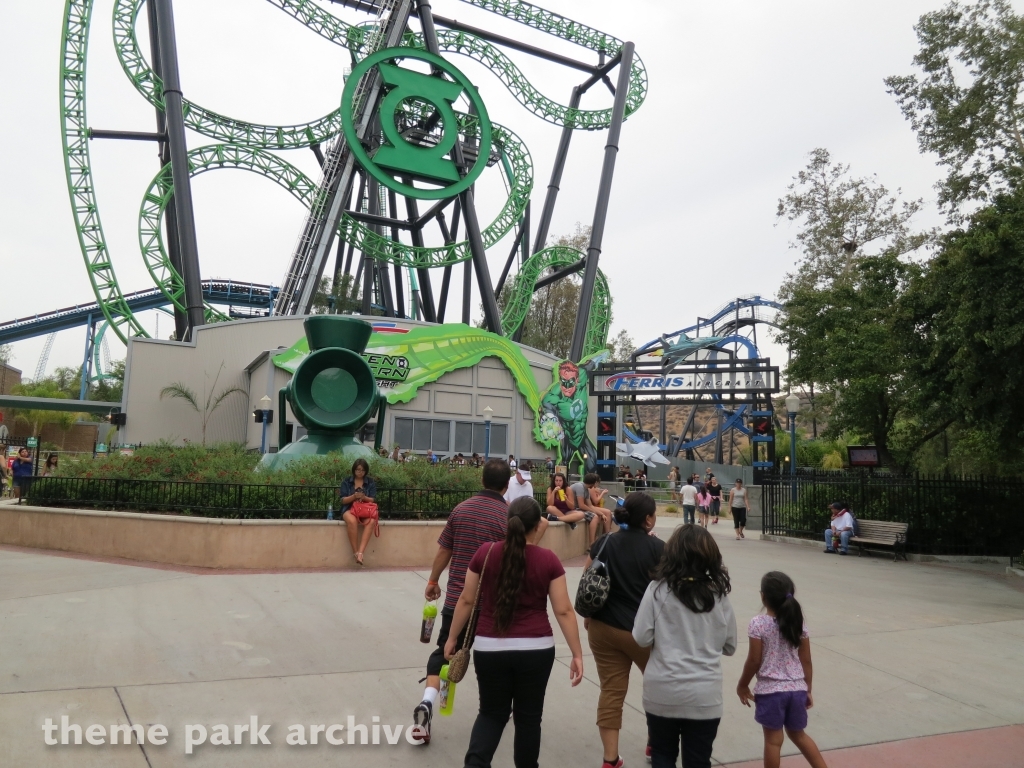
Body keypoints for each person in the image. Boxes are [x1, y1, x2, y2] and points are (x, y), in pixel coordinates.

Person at [445, 496, 584, 768]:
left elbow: (466, 599)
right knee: (529, 718)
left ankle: (475, 764)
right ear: (536, 526)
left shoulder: (485, 553)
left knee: (491, 714)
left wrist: (452, 638)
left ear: (508, 523)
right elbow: (564, 610)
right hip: (536, 649)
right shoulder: (548, 559)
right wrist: (577, 653)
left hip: (489, 646)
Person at [415, 458, 510, 745]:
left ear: (481, 480)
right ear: (506, 486)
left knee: (443, 652)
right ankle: (492, 718)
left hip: (456, 602)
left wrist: (433, 581)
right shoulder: (508, 516)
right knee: (493, 663)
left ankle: (428, 701)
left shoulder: (461, 509)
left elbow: (445, 550)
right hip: (491, 606)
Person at [633, 525, 737, 768]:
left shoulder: (657, 590)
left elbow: (641, 637)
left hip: (662, 691)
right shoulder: (718, 595)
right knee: (698, 761)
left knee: (662, 756)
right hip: (704, 696)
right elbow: (730, 645)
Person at [586, 492, 664, 768]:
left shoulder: (604, 543)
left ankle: (610, 759)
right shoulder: (658, 550)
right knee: (657, 688)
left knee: (611, 691)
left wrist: (589, 618)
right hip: (643, 633)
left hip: (603, 628)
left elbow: (588, 581)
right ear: (648, 518)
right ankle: (655, 743)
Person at [736, 572, 828, 768]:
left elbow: (754, 660)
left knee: (773, 741)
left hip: (771, 692)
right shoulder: (798, 623)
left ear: (763, 596)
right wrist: (807, 689)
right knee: (799, 735)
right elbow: (807, 660)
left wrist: (742, 685)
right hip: (797, 690)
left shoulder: (758, 623)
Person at [339, 458, 378, 566]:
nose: (360, 472)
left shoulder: (370, 482)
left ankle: (361, 553)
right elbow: (342, 500)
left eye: (362, 470)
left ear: (366, 471)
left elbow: (373, 500)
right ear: (354, 470)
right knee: (352, 521)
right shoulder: (347, 481)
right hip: (349, 509)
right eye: (358, 470)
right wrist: (354, 496)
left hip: (365, 510)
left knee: (371, 521)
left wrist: (364, 497)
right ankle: (356, 553)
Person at [569, 475, 602, 546]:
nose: (595, 486)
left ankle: (596, 539)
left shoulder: (586, 489)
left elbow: (590, 505)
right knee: (594, 517)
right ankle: (592, 544)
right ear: (592, 483)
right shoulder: (580, 487)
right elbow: (581, 505)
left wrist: (601, 514)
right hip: (573, 509)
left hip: (578, 508)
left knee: (597, 515)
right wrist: (593, 511)